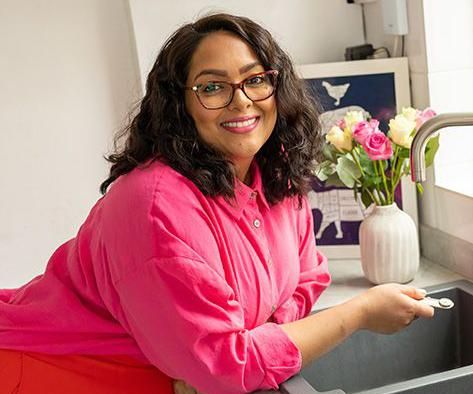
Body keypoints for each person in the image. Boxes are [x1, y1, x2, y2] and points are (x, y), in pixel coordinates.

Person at [0, 13, 434, 394]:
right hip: (45, 372)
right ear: (180, 104)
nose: (241, 100)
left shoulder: (275, 174)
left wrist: (239, 346)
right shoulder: (152, 205)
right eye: (212, 87)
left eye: (255, 79)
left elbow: (307, 277)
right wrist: (357, 313)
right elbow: (229, 367)